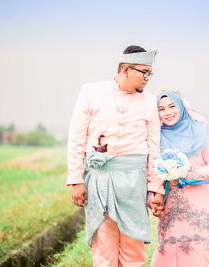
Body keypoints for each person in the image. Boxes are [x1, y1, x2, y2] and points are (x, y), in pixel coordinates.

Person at [67, 45, 165, 267]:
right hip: (100, 179)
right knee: (105, 252)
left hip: (134, 182)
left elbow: (154, 148)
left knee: (134, 251)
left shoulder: (150, 101)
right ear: (126, 69)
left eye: (151, 73)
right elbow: (76, 138)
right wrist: (76, 180)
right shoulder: (91, 92)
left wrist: (156, 188)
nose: (148, 78)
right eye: (144, 72)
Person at [150, 91, 209, 267]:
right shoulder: (158, 137)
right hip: (172, 203)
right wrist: (155, 195)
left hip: (201, 201)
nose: (167, 112)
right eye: (161, 109)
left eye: (172, 106)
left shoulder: (200, 131)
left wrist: (188, 177)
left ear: (182, 107)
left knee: (201, 246)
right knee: (170, 245)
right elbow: (154, 171)